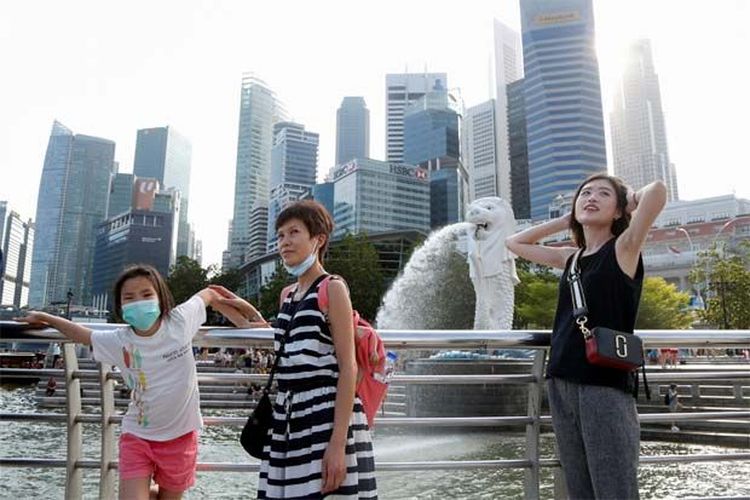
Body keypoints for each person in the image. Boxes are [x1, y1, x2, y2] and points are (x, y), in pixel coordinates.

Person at [17, 264, 249, 500]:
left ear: (161, 297)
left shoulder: (180, 321)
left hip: (181, 436)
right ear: (120, 306)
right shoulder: (120, 340)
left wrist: (247, 324)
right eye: (129, 297)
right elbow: (82, 334)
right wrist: (47, 318)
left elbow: (209, 294)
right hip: (138, 436)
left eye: (147, 294)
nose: (139, 302)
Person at [506, 175, 667, 499]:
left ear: (619, 210)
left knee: (614, 486)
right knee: (580, 488)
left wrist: (628, 199)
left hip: (604, 385)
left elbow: (658, 191)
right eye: (585, 194)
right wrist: (567, 219)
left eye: (603, 194)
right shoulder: (572, 258)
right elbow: (515, 243)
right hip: (562, 379)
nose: (591, 197)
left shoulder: (624, 247)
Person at [210, 200, 377, 499]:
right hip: (289, 415)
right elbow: (278, 336)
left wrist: (337, 444)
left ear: (318, 239)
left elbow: (348, 366)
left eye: (294, 233)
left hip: (323, 413)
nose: (284, 242)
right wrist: (224, 304)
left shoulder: (332, 288)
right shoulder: (288, 294)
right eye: (280, 235)